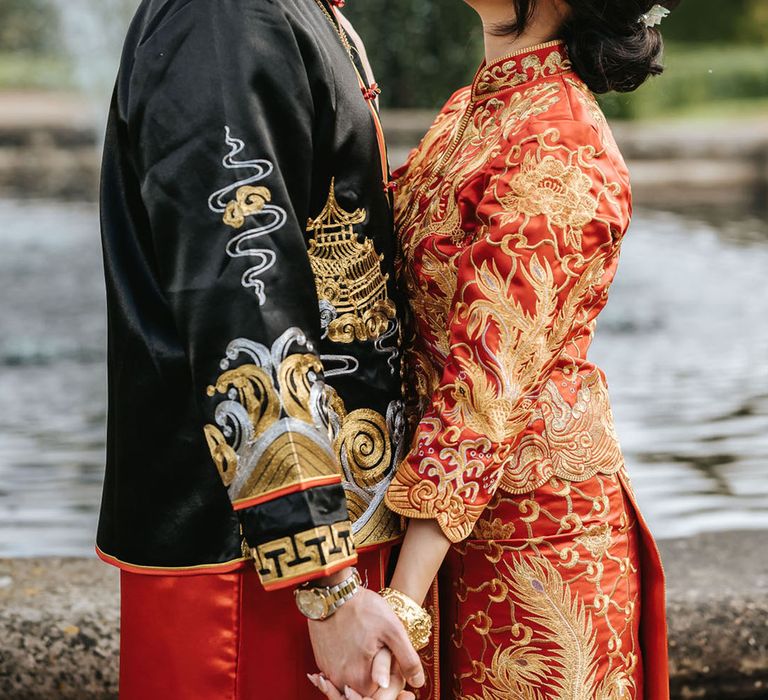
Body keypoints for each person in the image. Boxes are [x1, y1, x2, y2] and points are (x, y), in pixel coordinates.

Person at [314, 1, 679, 698]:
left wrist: (399, 606)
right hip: (442, 520)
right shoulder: (474, 107)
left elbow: (489, 386)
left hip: (536, 548)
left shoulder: (560, 140)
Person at [96, 0, 425, 697]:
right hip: (251, 566)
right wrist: (326, 588)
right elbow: (241, 297)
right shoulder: (223, 16)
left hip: (318, 534)